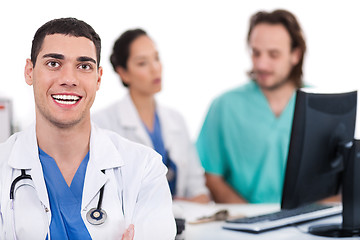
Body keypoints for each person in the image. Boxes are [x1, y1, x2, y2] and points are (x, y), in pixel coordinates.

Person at [0, 18, 176, 240]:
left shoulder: (144, 170)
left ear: (99, 78)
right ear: (29, 71)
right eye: (54, 63)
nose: (69, 79)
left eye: (84, 66)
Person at [196, 9, 307, 204]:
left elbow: (339, 178)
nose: (262, 64)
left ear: (295, 55)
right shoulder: (224, 106)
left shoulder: (321, 104)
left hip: (307, 225)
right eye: (256, 53)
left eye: (273, 55)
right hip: (244, 225)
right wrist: (251, 220)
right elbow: (211, 176)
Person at [92, 29, 210, 203]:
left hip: (181, 223)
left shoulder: (176, 120)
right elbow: (103, 197)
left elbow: (199, 192)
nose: (155, 68)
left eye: (156, 58)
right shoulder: (102, 124)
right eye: (142, 63)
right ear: (123, 72)